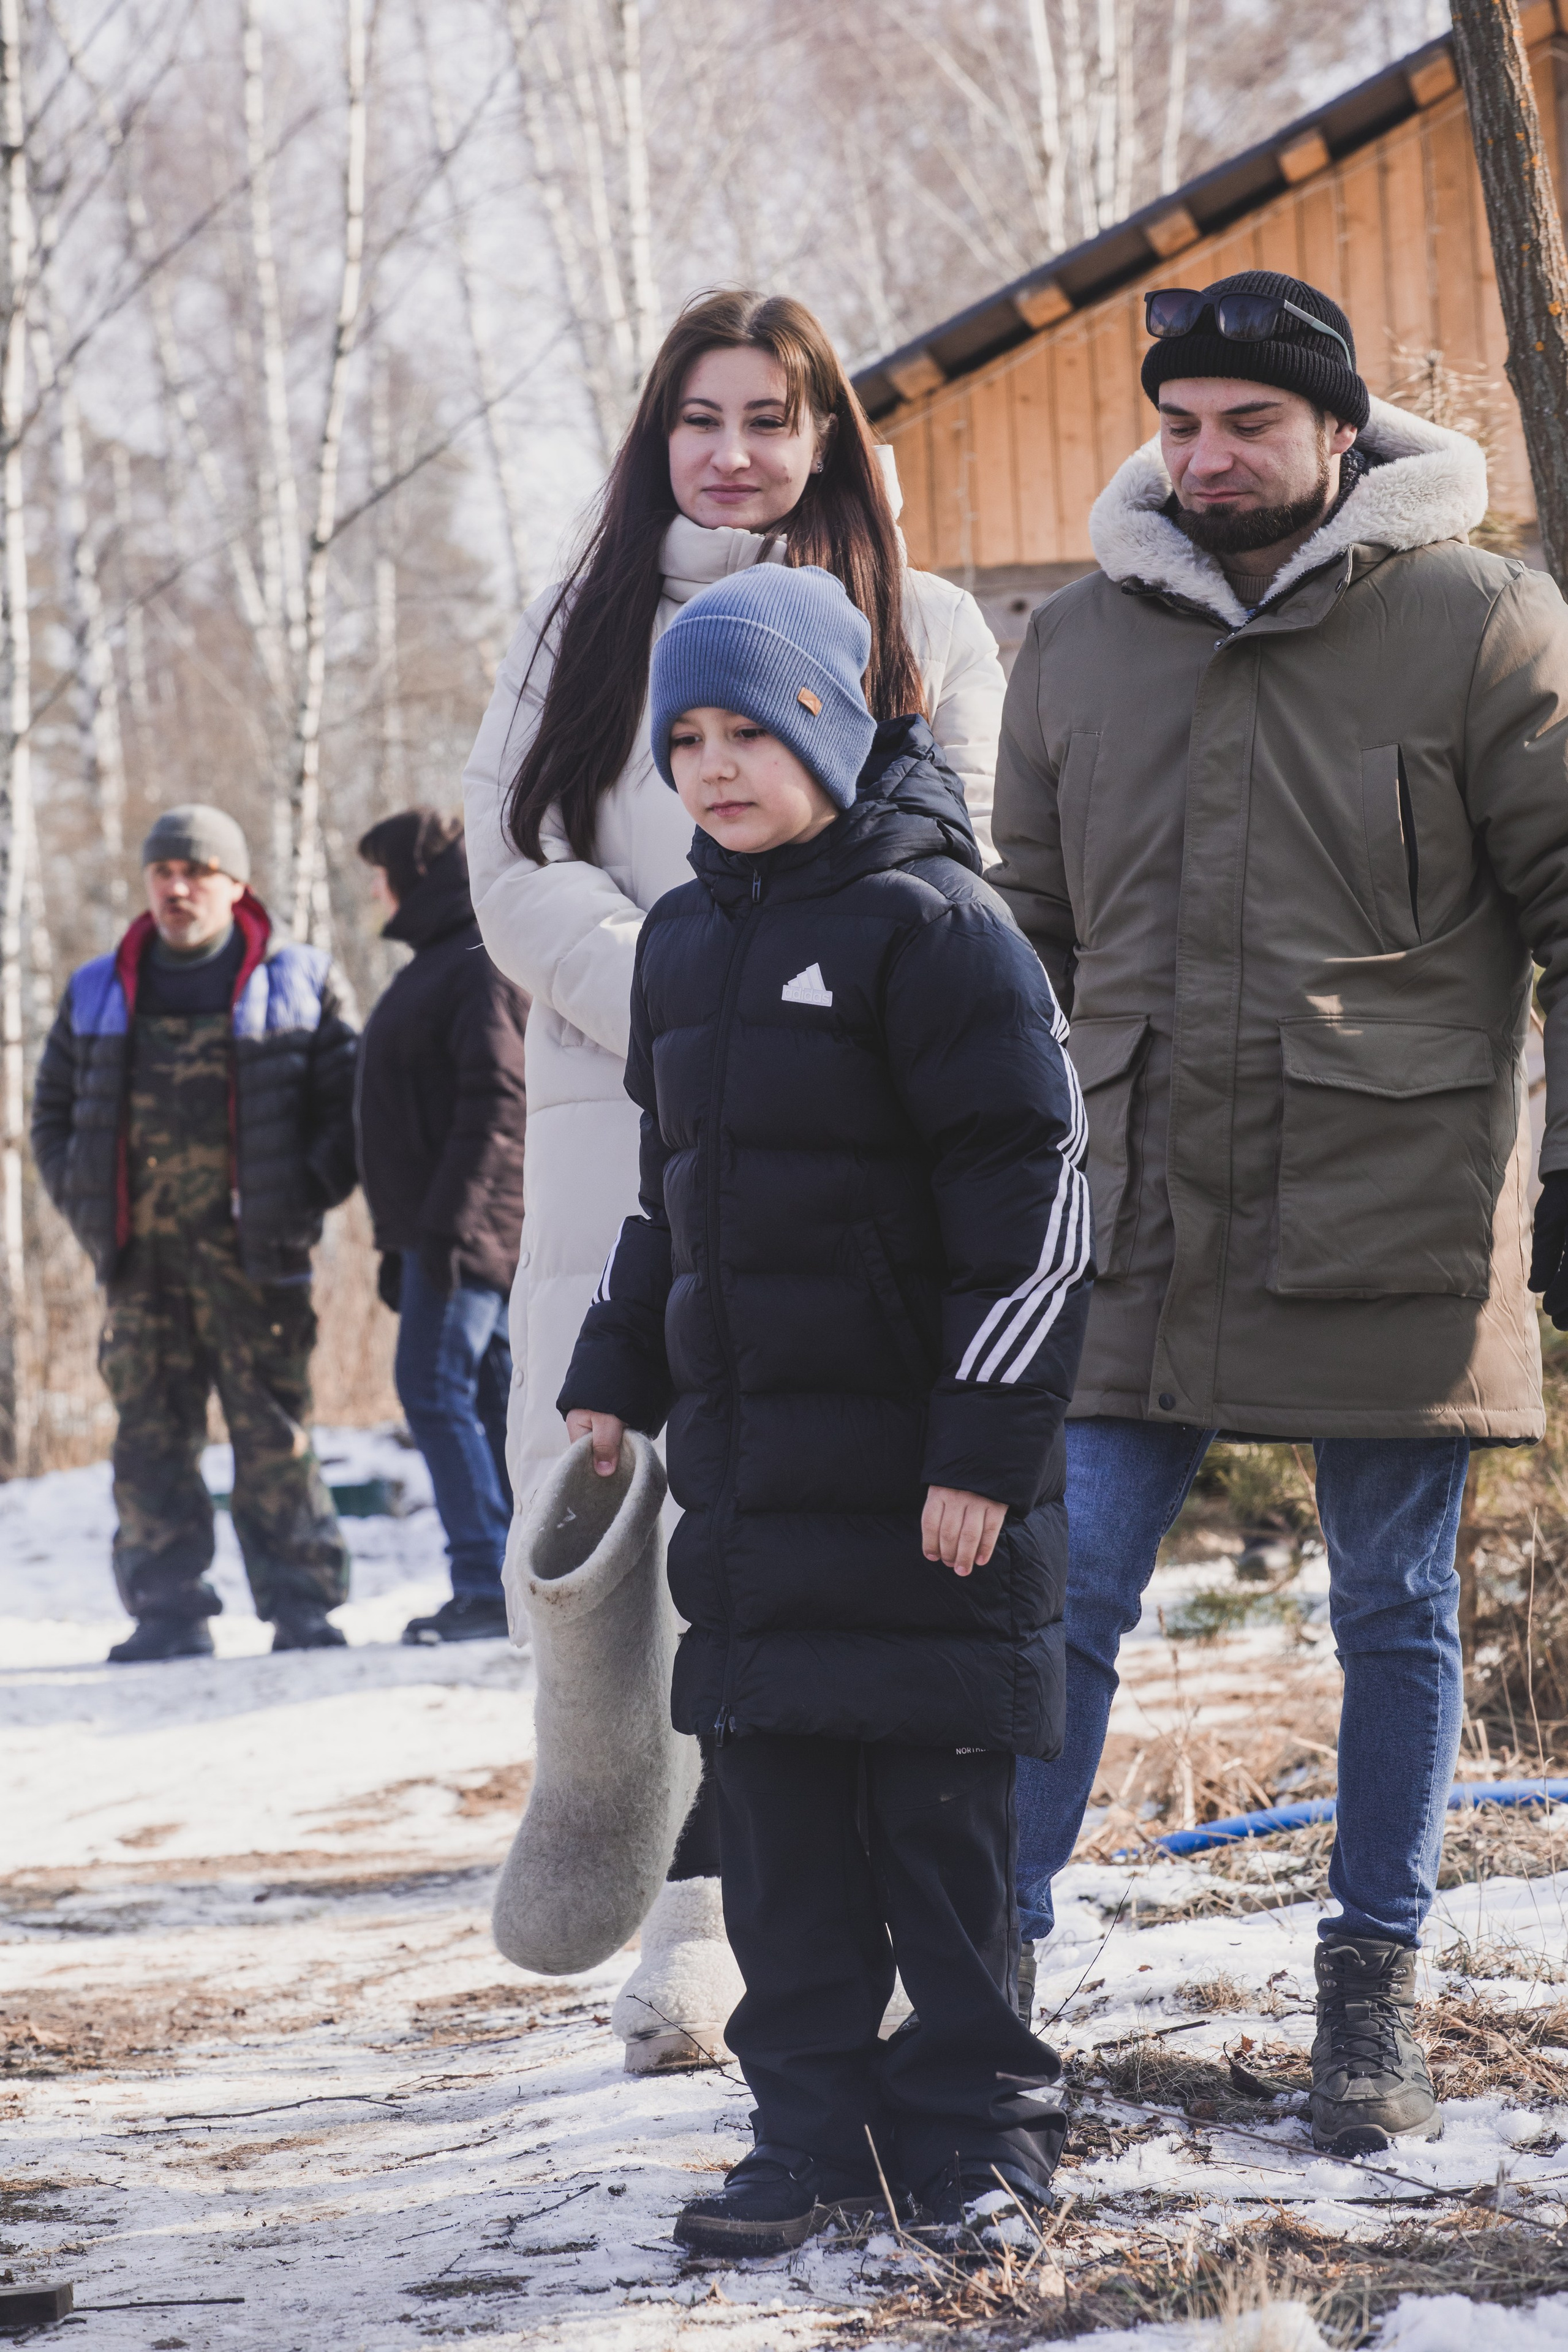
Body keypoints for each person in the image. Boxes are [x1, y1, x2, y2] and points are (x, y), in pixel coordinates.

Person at [989, 268, 1568, 2156]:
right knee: (1056, 1589)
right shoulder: (1076, 646)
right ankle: (989, 1978)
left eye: (1250, 421)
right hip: (1135, 1202)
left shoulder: (1480, 621)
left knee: (1393, 1608)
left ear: (1337, 435)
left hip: (1391, 1197)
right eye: (1181, 422)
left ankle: (1373, 1994)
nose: (1208, 454)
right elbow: (1026, 944)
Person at [464, 288, 1009, 2065]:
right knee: (610, 1483)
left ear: (830, 436)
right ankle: (604, 1785)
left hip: (850, 1122)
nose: (735, 451)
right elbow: (516, 858)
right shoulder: (582, 623)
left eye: (773, 417)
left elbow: (963, 863)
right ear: (657, 435)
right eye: (702, 417)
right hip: (626, 1107)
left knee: (784, 1513)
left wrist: (785, 1009)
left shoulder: (917, 626)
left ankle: (725, 1918)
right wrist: (689, 998)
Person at [557, 562, 1092, 2252]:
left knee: (937, 1840)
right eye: (686, 739)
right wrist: (616, 1366)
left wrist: (985, 1452)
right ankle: (806, 2128)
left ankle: (978, 2132)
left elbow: (1040, 1209)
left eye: (753, 732)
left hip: (931, 1496)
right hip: (760, 1496)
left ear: (837, 730)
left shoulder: (939, 931)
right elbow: (677, 1195)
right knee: (780, 1847)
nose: (716, 767)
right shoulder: (686, 943)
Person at [31, 804, 360, 1662]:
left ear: (237, 882)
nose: (178, 888)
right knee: (148, 1436)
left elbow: (350, 1111)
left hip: (256, 1259)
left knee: (273, 1434)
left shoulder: (299, 980)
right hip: (141, 1265)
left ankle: (303, 1610)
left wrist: (297, 1201)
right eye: (164, 872)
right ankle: (167, 1613)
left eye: (198, 871)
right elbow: (53, 1116)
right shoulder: (99, 986)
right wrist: (90, 1208)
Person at [355, 807, 529, 1644]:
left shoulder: (474, 961)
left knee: (432, 1386)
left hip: (465, 1235)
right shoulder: (446, 958)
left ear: (416, 874)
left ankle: (485, 1581)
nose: (376, 893)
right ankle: (510, 1580)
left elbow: (498, 1101)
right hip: (446, 1231)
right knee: (488, 1395)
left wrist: (449, 1231)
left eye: (382, 873)